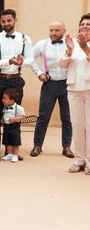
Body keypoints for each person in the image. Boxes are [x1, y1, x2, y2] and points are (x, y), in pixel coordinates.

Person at [0, 9, 34, 162]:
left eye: (9, 21)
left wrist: (21, 62)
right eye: (3, 21)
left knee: (13, 116)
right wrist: (9, 61)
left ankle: (11, 150)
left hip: (15, 80)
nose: (6, 24)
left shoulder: (25, 39)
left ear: (15, 20)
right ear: (0, 22)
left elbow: (30, 60)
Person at [29, 21, 74, 158]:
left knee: (67, 118)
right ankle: (37, 146)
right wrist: (39, 73)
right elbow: (29, 58)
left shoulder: (71, 43)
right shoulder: (42, 44)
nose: (53, 33)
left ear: (64, 31)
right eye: (51, 30)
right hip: (49, 84)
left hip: (67, 84)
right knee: (43, 117)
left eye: (57, 30)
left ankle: (66, 147)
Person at [58, 14, 90, 174]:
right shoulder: (73, 44)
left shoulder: (83, 46)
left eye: (88, 24)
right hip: (73, 88)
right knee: (77, 126)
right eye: (82, 24)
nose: (84, 26)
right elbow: (62, 65)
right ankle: (79, 160)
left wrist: (86, 48)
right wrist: (69, 51)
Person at [0, 88, 26, 162]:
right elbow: (4, 114)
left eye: (5, 99)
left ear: (12, 101)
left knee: (15, 141)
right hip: (6, 126)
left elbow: (23, 116)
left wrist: (14, 119)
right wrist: (2, 120)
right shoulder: (5, 107)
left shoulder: (19, 108)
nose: (2, 100)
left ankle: (15, 155)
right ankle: (10, 154)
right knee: (8, 141)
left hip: (14, 127)